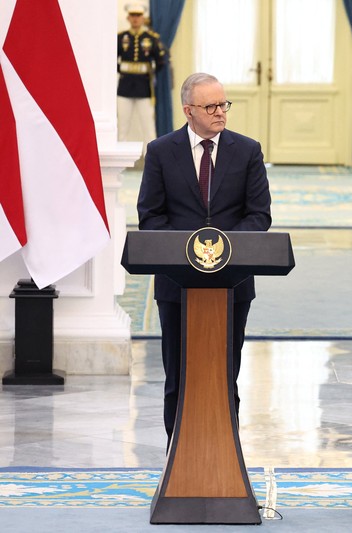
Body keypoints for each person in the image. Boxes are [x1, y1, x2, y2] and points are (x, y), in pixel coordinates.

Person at [137, 72, 272, 444]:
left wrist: (223, 251)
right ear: (188, 111)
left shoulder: (248, 151)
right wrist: (189, 251)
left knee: (225, 373)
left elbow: (259, 215)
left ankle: (226, 454)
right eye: (210, 106)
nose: (220, 113)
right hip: (176, 285)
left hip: (233, 282)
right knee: (178, 374)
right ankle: (177, 456)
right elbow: (150, 216)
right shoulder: (161, 151)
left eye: (223, 104)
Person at [117, 3, 166, 150]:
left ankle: (151, 161)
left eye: (138, 15)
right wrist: (121, 69)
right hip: (124, 87)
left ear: (143, 18)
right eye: (133, 15)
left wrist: (150, 72)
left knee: (148, 127)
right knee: (122, 127)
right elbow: (111, 58)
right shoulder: (121, 37)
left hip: (144, 87)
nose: (135, 18)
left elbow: (160, 61)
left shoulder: (151, 38)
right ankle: (121, 162)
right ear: (128, 18)